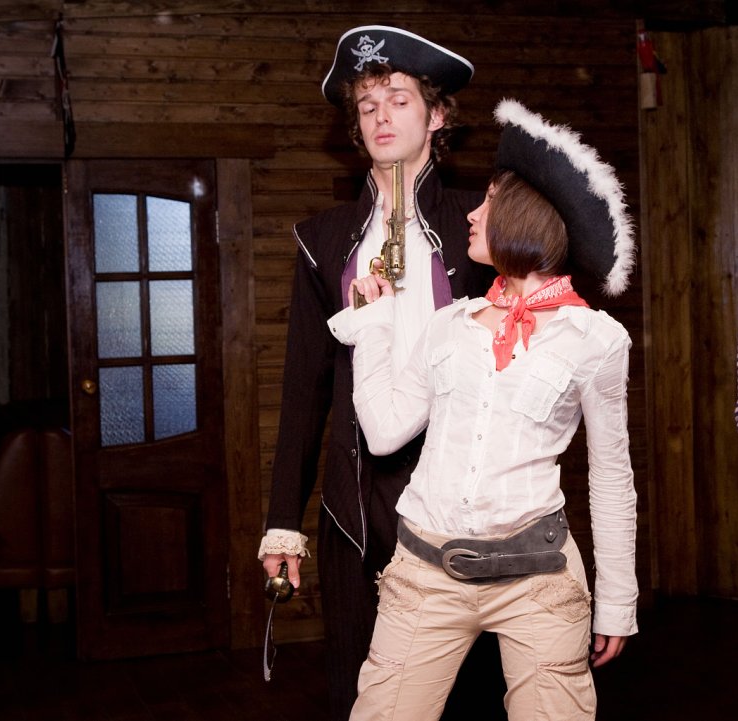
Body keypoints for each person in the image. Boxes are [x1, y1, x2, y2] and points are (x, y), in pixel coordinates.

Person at [330, 98, 639, 720]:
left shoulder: (597, 340)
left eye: (489, 202)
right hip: (422, 577)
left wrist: (616, 603)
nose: (472, 213)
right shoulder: (450, 325)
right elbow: (384, 433)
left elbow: (612, 477)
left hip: (540, 580)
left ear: (525, 216)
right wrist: (375, 326)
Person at [257, 25, 499, 721]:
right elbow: (304, 388)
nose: (381, 117)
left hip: (464, 495)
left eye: (398, 99)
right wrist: (282, 524)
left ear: (438, 115)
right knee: (363, 686)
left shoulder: (482, 224)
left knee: (469, 692)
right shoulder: (322, 239)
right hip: (356, 498)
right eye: (367, 105)